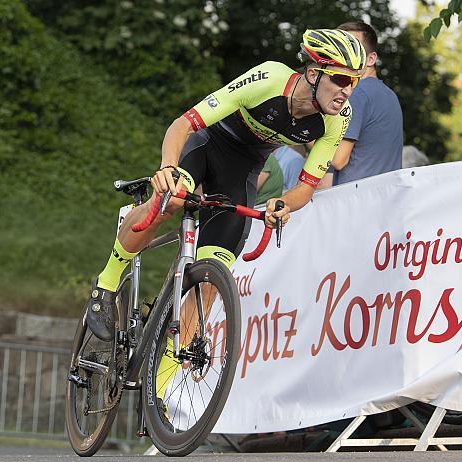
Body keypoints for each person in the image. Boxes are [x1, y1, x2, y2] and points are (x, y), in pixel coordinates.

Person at [85, 28, 366, 346]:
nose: (347, 91)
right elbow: (184, 124)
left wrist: (284, 203)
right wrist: (167, 168)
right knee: (171, 200)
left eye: (354, 82)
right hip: (207, 147)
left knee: (212, 276)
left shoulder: (337, 118)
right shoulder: (269, 79)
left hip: (242, 171)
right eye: (341, 80)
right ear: (314, 73)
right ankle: (105, 286)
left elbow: (306, 186)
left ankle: (160, 391)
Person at [330, 21, 403, 186]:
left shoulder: (356, 93)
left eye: (352, 49)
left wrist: (303, 132)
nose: (342, 56)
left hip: (356, 200)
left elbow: (338, 160)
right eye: (339, 49)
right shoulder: (390, 96)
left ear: (371, 59)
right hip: (385, 198)